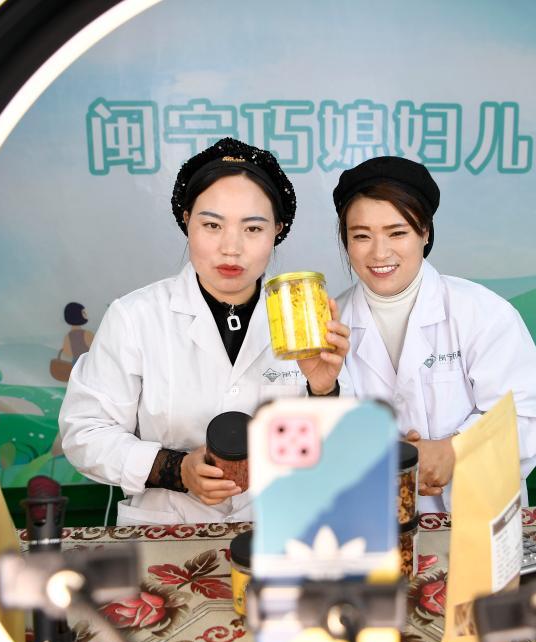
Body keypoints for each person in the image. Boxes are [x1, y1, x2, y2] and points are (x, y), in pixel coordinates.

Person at [59, 138, 350, 524]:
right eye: (212, 225)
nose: (231, 248)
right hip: (166, 526)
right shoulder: (135, 316)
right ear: (186, 220)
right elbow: (85, 433)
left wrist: (323, 390)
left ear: (277, 230)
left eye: (253, 228)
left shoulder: (304, 319)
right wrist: (175, 469)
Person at [332, 156, 536, 512]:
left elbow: (532, 416)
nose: (379, 252)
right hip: (375, 517)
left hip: (475, 515)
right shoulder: (331, 322)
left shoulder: (481, 312)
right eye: (361, 236)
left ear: (425, 232)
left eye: (397, 232)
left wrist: (456, 449)